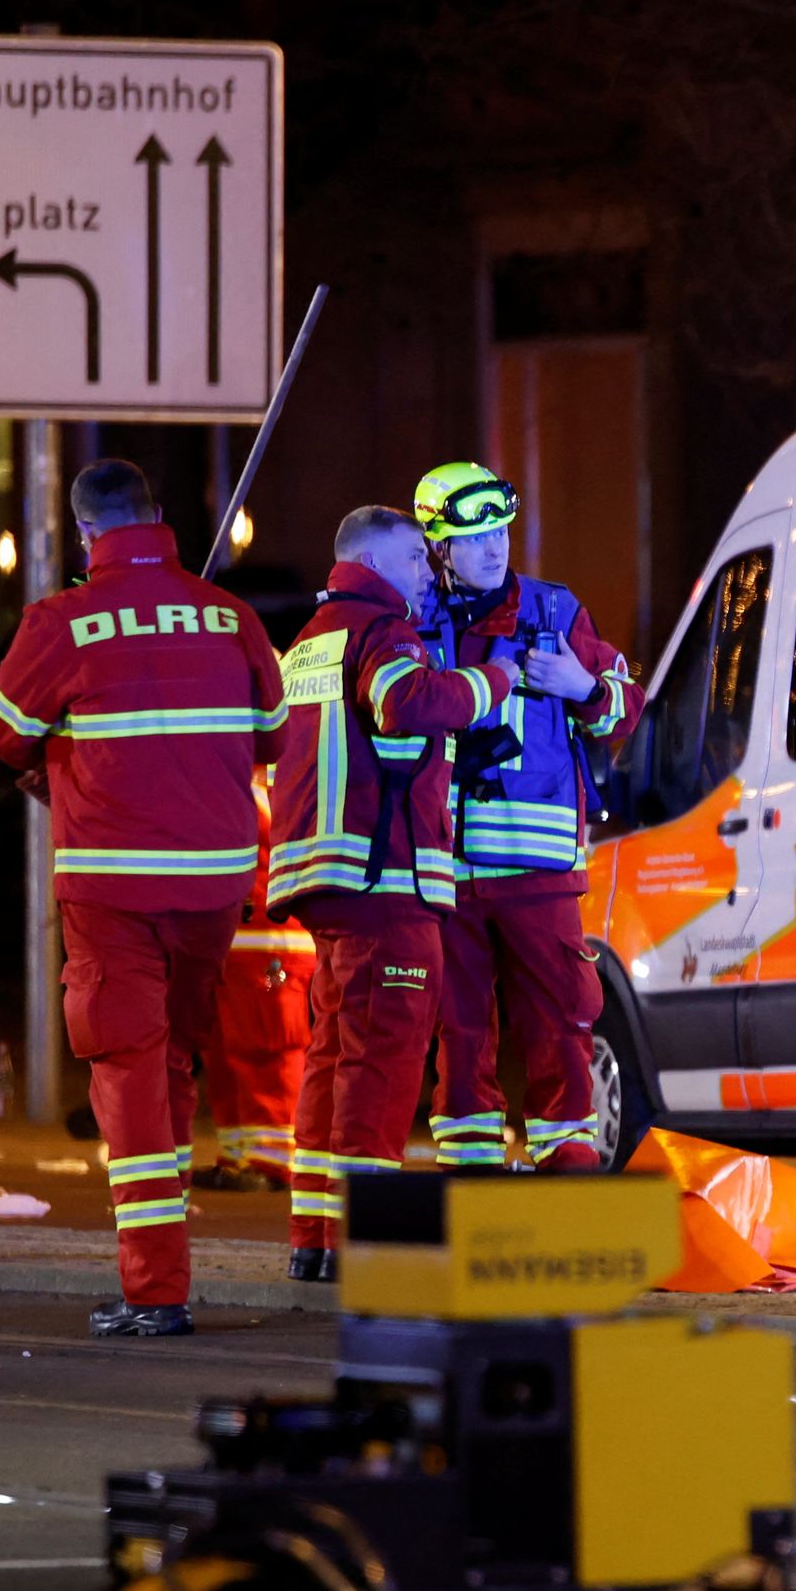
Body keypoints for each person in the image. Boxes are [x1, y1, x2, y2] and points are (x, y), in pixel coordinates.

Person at [0, 464, 287, 1337]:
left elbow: (2, 732)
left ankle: (156, 1290)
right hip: (217, 888)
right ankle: (168, 1268)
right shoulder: (230, 617)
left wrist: (62, 771)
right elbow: (272, 736)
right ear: (159, 515)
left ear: (85, 537)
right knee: (173, 1063)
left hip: (114, 887)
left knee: (128, 1076)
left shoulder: (62, 622)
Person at [267, 503, 517, 1274]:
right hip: (383, 880)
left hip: (321, 879)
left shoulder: (308, 643)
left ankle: (316, 1238)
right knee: (382, 1065)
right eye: (415, 557)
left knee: (335, 1056)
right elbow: (408, 703)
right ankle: (363, 1244)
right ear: (374, 564)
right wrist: (492, 682)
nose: (426, 571)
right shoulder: (383, 629)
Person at [413, 462, 640, 1172]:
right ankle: (469, 1169)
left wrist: (583, 687)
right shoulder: (412, 622)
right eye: (474, 537)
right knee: (459, 1031)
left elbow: (628, 708)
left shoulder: (554, 612)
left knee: (560, 1024)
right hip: (444, 869)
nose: (495, 548)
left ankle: (567, 1166)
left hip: (537, 868)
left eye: (501, 531)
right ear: (438, 549)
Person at [200, 772, 315, 1192]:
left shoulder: (273, 779)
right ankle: (238, 1153)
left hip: (271, 946)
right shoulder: (239, 774)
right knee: (226, 1053)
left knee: (266, 1051)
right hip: (236, 943)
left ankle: (273, 1161)